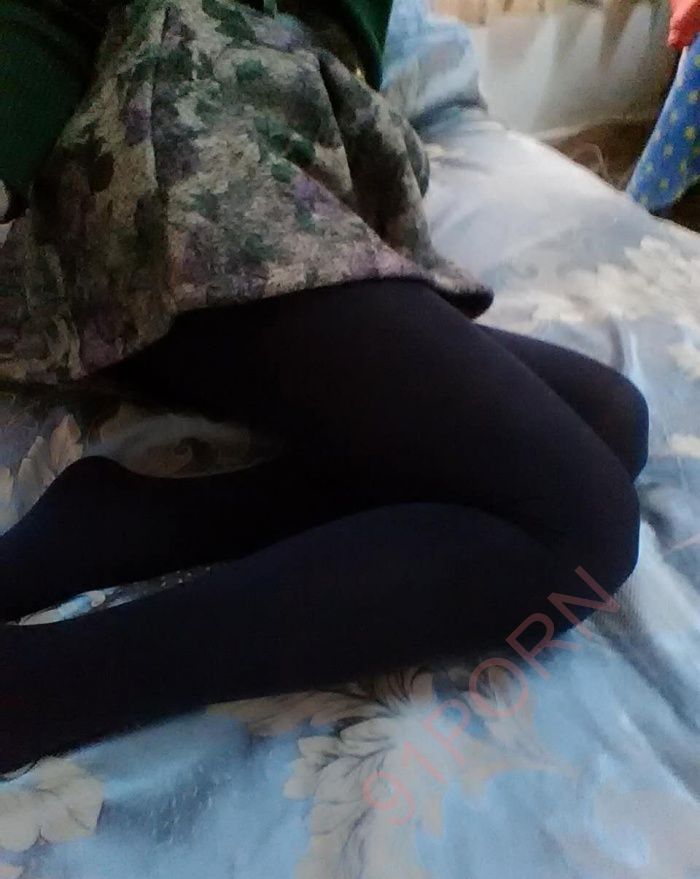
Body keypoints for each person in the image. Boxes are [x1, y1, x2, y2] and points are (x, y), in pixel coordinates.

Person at [0, 0, 648, 774]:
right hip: (192, 151)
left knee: (612, 417)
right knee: (583, 530)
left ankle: (143, 521)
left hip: (289, 155)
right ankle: (40, 687)